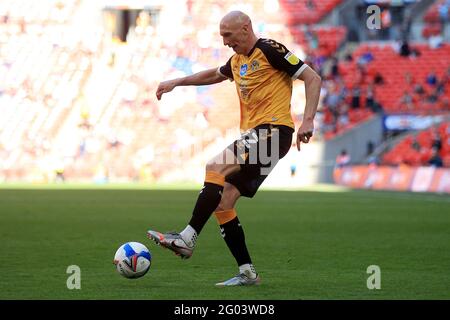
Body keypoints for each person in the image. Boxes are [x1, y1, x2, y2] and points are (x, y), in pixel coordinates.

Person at [147, 11, 321, 286]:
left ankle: (187, 237)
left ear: (245, 28)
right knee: (224, 202)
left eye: (228, 35)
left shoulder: (270, 50)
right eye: (221, 36)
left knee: (215, 166)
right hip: (260, 135)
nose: (225, 41)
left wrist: (308, 119)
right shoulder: (238, 60)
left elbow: (312, 78)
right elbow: (212, 75)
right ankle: (248, 273)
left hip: (274, 131)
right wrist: (177, 82)